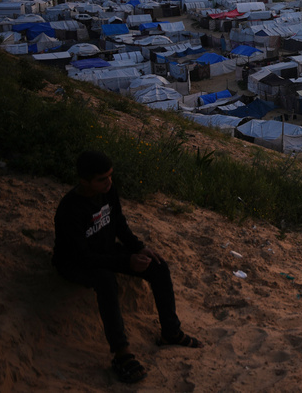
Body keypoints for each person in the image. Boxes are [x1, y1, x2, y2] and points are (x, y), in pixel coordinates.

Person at [53, 151, 202, 384]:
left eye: (110, 176)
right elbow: (82, 257)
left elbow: (119, 223)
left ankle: (171, 331)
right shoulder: (70, 209)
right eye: (102, 179)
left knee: (158, 266)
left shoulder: (108, 192)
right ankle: (121, 353)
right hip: (74, 262)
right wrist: (125, 261)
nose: (109, 182)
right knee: (105, 280)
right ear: (84, 181)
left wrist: (138, 248)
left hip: (106, 250)